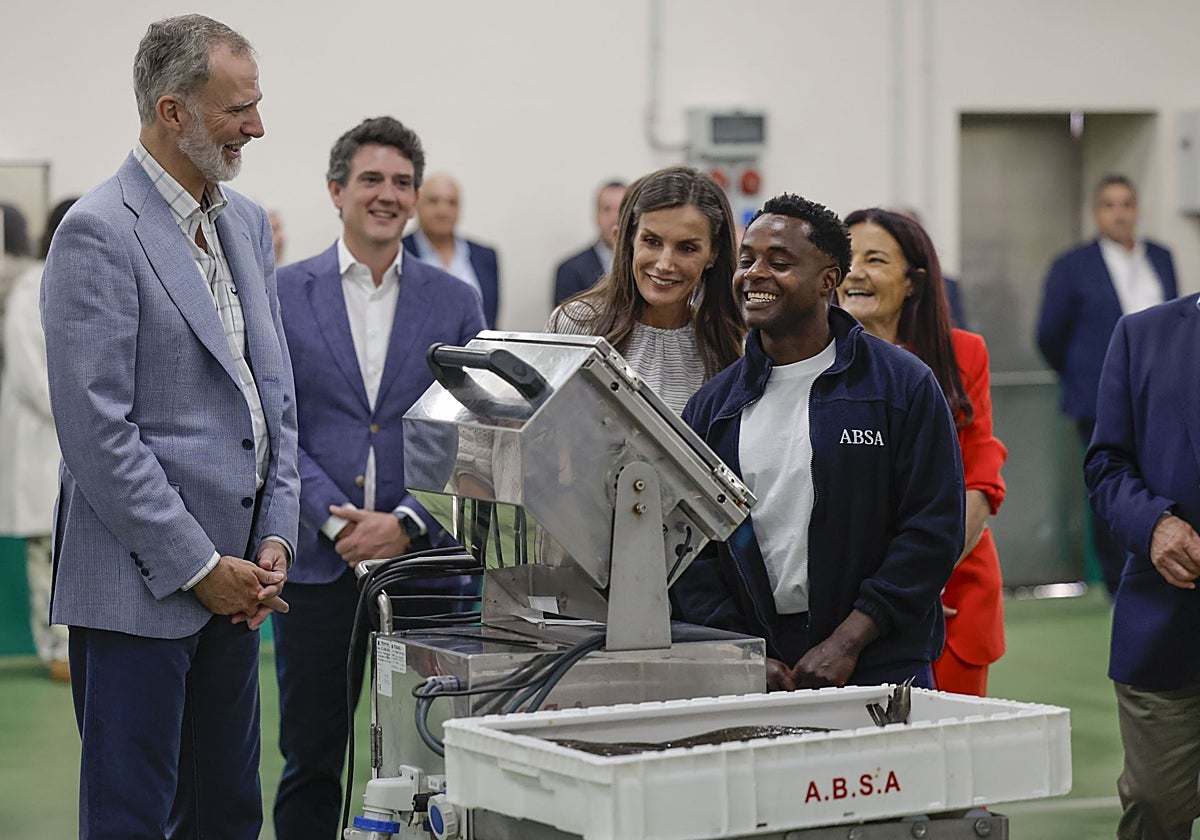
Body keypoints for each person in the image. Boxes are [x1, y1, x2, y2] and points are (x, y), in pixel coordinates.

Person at [40, 15, 299, 838]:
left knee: (227, 812)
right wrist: (197, 566)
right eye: (237, 109)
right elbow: (97, 435)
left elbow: (272, 397)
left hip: (242, 588)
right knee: (130, 816)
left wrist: (274, 539)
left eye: (257, 105)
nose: (257, 126)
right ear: (173, 111)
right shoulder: (98, 232)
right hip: (141, 588)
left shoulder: (245, 222)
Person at [273, 116, 486, 839]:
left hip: (421, 568)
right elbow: (276, 426)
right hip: (316, 562)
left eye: (402, 182)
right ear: (337, 190)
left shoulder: (454, 301)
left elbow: (468, 427)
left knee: (427, 757)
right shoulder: (284, 291)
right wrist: (333, 521)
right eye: (371, 179)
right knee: (310, 755)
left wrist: (405, 522)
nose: (387, 194)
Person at [671, 193, 964, 691]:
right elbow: (694, 551)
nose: (755, 274)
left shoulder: (900, 385)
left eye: (779, 262)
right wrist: (740, 652)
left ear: (829, 279)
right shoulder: (713, 407)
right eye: (747, 260)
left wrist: (850, 640)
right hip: (762, 671)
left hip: (882, 663)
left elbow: (931, 533)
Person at [839, 208, 1007, 696]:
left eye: (875, 260)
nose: (856, 273)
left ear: (913, 282)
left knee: (949, 759)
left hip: (950, 591)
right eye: (847, 258)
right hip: (845, 599)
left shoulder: (963, 356)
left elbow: (978, 482)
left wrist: (916, 581)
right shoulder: (808, 364)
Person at [1085, 293, 1200, 838]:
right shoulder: (1143, 334)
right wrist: (1154, 524)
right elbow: (1107, 465)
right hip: (1167, 622)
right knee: (1156, 804)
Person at [1037, 174, 1177, 598]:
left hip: (1163, 395)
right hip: (1101, 395)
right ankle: (1118, 584)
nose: (1120, 212)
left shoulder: (1161, 258)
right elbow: (1049, 334)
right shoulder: (1073, 266)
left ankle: (1164, 570)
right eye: (1110, 205)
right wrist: (1084, 377)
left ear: (1137, 209)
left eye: (1127, 203)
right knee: (1113, 483)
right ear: (1097, 213)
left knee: (1167, 482)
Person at [546, 166, 744, 414]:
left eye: (687, 248)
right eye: (652, 241)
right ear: (629, 239)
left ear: (713, 254)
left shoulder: (723, 347)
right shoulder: (575, 323)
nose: (664, 264)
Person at [0, 198, 77, 683]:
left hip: (79, 440)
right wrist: (90, 413)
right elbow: (32, 375)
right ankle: (56, 648)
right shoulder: (32, 286)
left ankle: (73, 644)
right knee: (45, 551)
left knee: (70, 549)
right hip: (44, 437)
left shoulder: (85, 278)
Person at [402, 172, 499, 328]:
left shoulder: (485, 257)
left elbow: (490, 322)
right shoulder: (399, 252)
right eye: (433, 201)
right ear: (416, 204)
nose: (443, 210)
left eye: (451, 203)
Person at [552, 180, 626, 305]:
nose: (615, 218)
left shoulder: (646, 266)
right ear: (596, 215)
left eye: (622, 209)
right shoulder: (570, 270)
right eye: (607, 209)